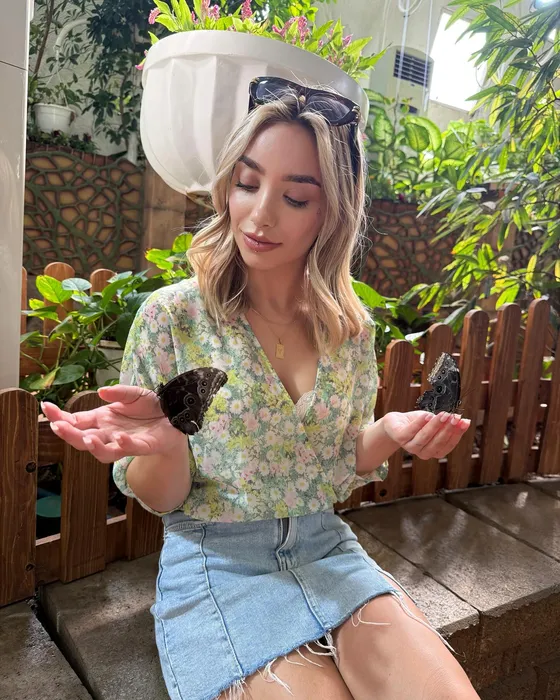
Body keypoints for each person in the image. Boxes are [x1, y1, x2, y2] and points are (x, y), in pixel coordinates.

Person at [41, 76, 479, 700]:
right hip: (218, 565)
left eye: (295, 197)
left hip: (328, 551)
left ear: (332, 211)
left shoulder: (348, 330)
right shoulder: (173, 319)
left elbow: (337, 462)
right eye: (247, 183)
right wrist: (166, 444)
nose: (260, 214)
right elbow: (160, 499)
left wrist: (391, 431)